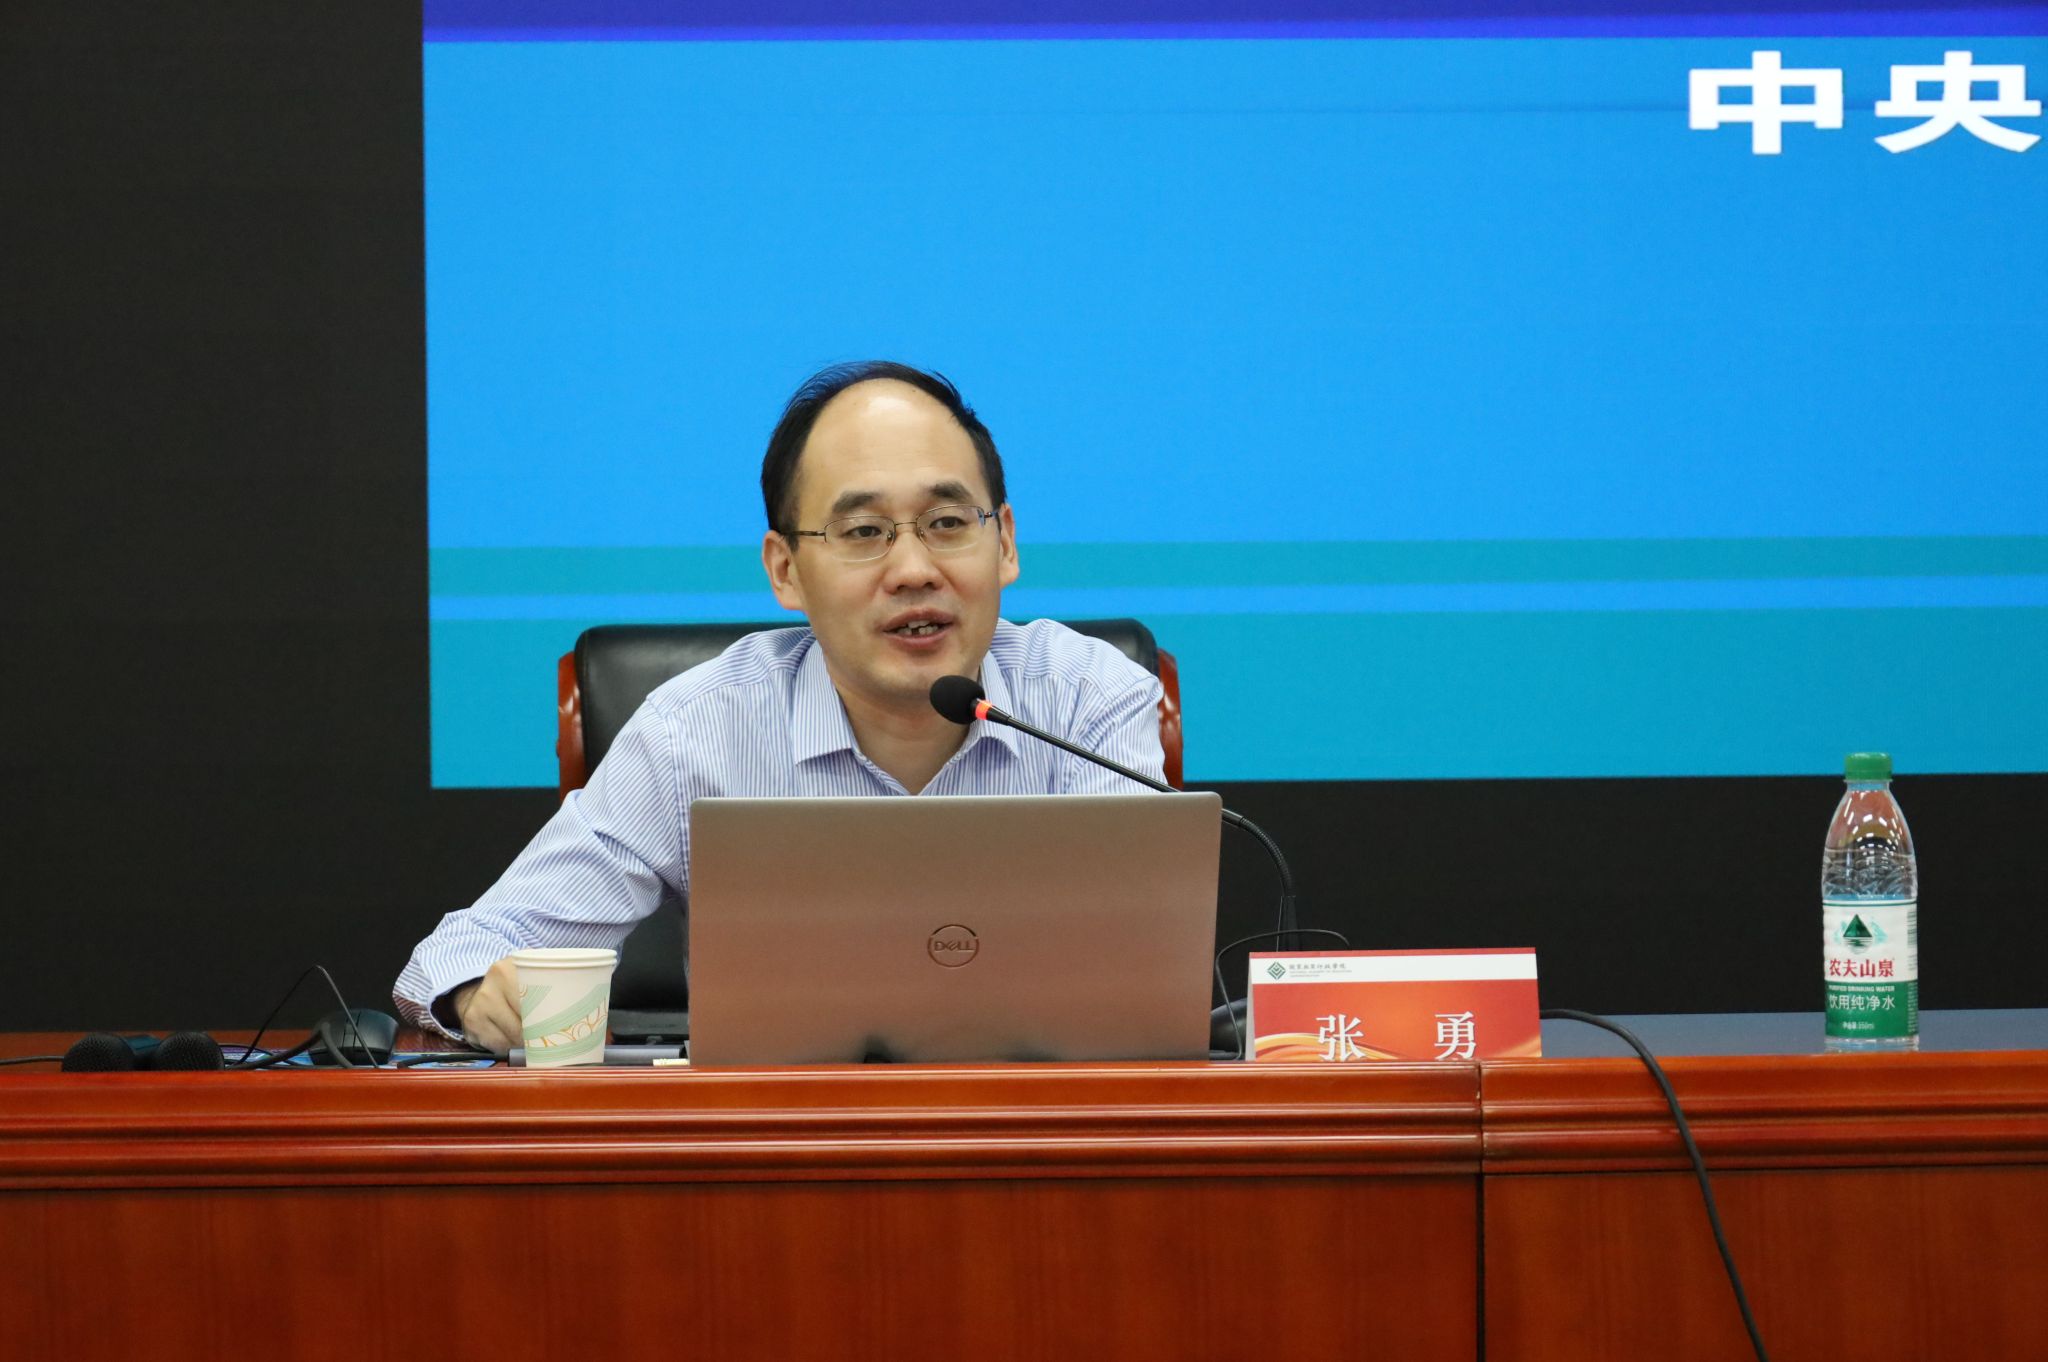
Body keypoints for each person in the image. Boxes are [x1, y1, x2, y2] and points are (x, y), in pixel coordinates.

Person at [394, 361, 1166, 1051]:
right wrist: (479, 996)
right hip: (775, 1144)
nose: (913, 569)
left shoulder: (1085, 701)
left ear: (1005, 544)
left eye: (947, 523)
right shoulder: (697, 732)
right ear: (785, 571)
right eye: (863, 531)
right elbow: (462, 952)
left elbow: (1142, 974)